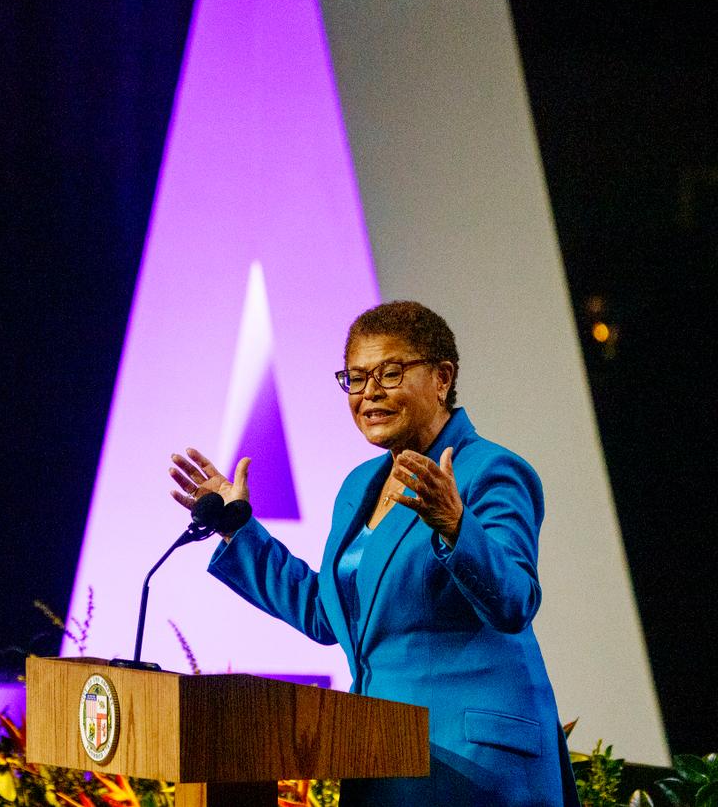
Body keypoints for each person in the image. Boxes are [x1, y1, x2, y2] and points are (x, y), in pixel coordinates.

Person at [168, 300, 578, 806]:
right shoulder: (360, 485)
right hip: (383, 753)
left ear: (442, 378)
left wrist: (456, 525)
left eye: (389, 373)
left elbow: (514, 601)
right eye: (356, 378)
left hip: (475, 763)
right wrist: (237, 531)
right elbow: (328, 615)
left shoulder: (490, 470)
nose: (369, 394)